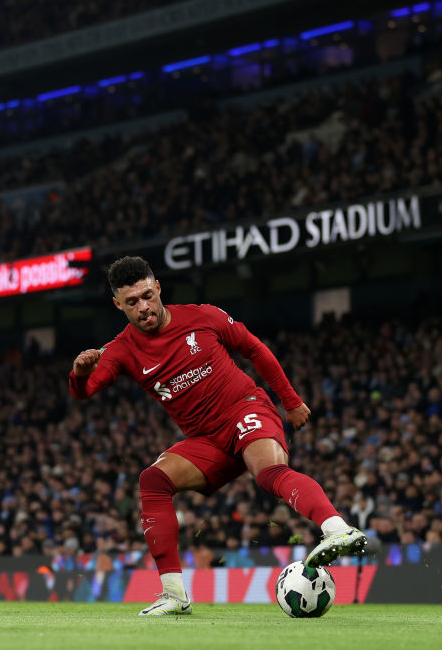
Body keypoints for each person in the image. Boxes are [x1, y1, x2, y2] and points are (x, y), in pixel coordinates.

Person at [68, 256, 366, 616]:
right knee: (153, 480)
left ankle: (337, 529)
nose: (143, 307)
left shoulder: (202, 316)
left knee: (267, 473)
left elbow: (253, 348)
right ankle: (174, 595)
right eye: (132, 302)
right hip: (206, 440)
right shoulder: (121, 350)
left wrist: (290, 400)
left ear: (158, 287)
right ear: (118, 304)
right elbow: (86, 391)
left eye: (147, 295)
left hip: (245, 409)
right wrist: (80, 374)